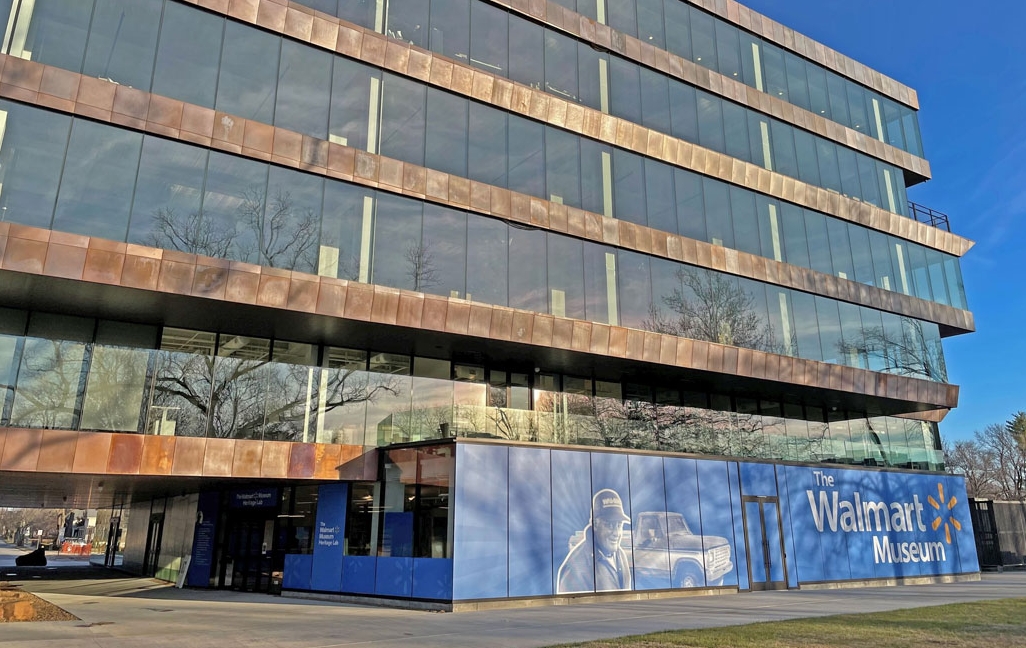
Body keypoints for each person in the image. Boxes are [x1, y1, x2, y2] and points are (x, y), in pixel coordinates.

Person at [556, 488, 632, 593]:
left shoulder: (620, 555)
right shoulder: (576, 568)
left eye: (619, 525)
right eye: (609, 525)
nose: (616, 533)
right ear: (595, 524)